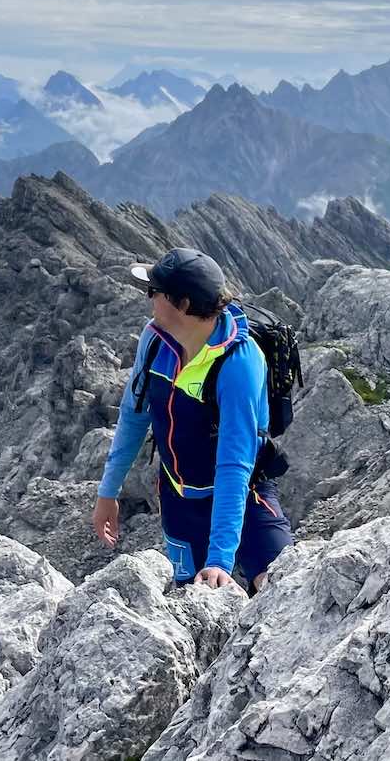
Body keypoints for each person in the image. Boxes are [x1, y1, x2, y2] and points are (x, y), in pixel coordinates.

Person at [90, 247, 292, 591]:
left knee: (281, 586)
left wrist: (219, 560)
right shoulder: (155, 340)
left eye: (154, 293)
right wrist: (108, 493)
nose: (149, 299)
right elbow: (134, 414)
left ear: (182, 305)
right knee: (191, 597)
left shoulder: (239, 364)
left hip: (245, 494)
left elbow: (234, 465)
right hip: (179, 498)